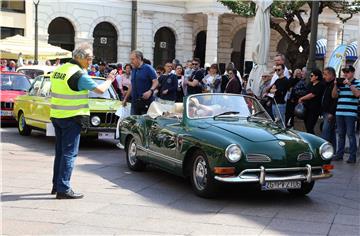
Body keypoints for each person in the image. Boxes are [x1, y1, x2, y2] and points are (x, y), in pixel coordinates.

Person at [50, 43, 116, 199]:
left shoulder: (59, 70)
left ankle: (56, 185)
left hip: (57, 115)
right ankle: (63, 188)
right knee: (69, 154)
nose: (90, 61)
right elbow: (100, 90)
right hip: (72, 117)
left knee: (60, 152)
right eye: (89, 58)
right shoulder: (78, 74)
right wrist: (110, 79)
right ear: (79, 58)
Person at [332, 65, 360, 163]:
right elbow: (334, 95)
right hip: (339, 112)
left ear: (352, 73)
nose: (345, 74)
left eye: (347, 72)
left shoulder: (357, 82)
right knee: (340, 134)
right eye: (344, 72)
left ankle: (352, 156)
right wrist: (335, 85)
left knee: (350, 134)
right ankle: (339, 155)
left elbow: (357, 94)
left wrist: (349, 84)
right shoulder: (341, 83)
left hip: (350, 113)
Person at [122, 50, 158, 115]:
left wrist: (150, 91)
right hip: (134, 103)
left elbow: (156, 82)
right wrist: (125, 98)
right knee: (134, 123)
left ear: (139, 58)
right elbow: (131, 85)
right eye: (131, 59)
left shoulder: (148, 68)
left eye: (133, 59)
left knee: (144, 123)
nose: (131, 62)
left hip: (146, 103)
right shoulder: (133, 69)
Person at [298, 69, 325, 134]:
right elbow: (307, 92)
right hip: (307, 108)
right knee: (307, 126)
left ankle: (313, 140)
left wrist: (302, 98)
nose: (310, 77)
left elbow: (312, 94)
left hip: (314, 109)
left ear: (317, 77)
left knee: (310, 126)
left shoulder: (320, 84)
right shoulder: (310, 84)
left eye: (312, 75)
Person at [321, 67, 337, 154]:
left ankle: (323, 152)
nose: (324, 76)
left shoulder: (335, 84)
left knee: (325, 132)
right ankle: (333, 151)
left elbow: (335, 100)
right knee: (331, 133)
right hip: (325, 111)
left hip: (330, 113)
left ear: (331, 75)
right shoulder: (327, 84)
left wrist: (331, 112)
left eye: (326, 74)